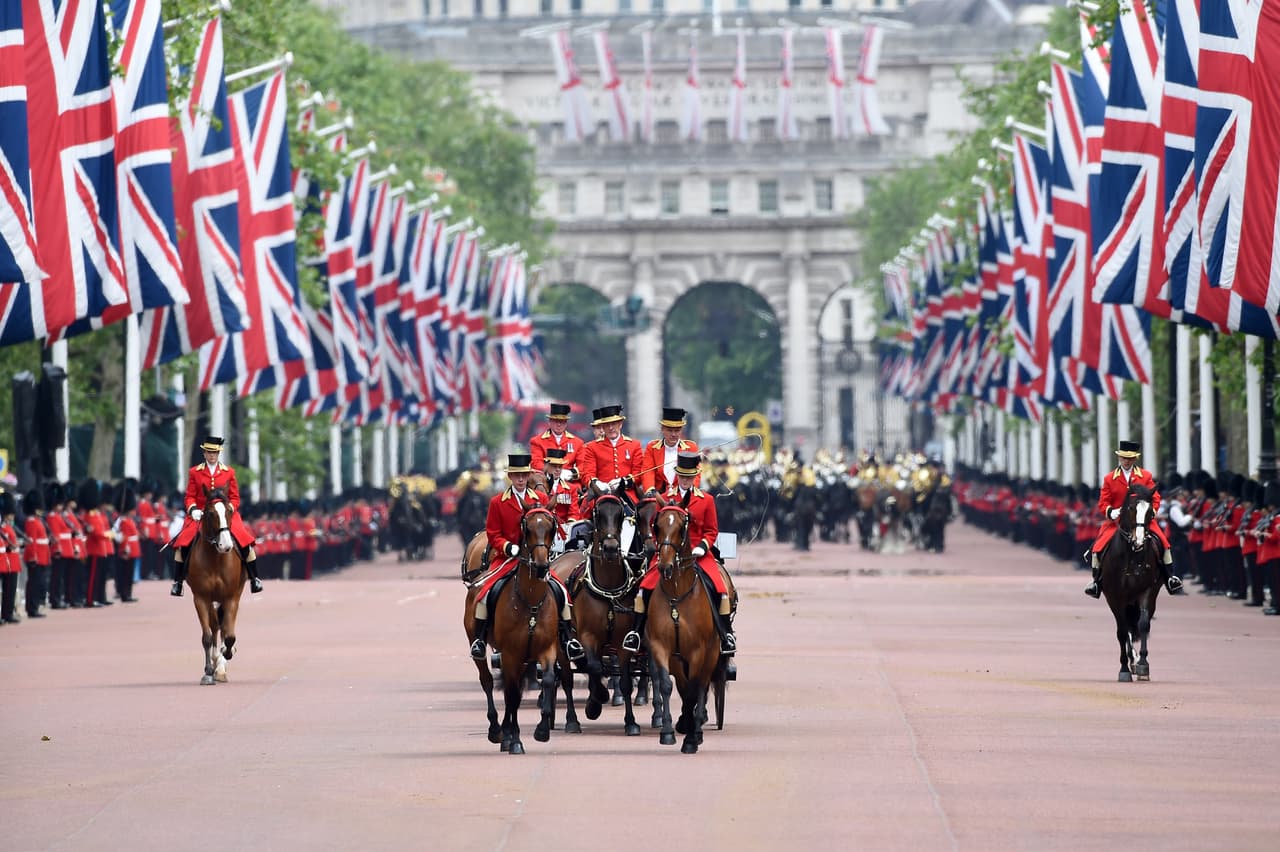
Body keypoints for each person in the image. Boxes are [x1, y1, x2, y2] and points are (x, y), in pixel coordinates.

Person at [466, 453, 583, 663]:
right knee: (484, 593)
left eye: (523, 475)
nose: (520, 479)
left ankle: (567, 638)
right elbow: (493, 533)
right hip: (506, 559)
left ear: (529, 475)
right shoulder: (497, 502)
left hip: (536, 560)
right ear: (510, 477)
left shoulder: (541, 500)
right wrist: (507, 547)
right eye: (516, 475)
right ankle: (481, 640)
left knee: (562, 592)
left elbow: (549, 528)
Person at [623, 452, 737, 661]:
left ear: (695, 476)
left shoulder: (707, 500)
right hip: (668, 553)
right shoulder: (664, 499)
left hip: (698, 555)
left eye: (689, 476)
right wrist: (663, 547)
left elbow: (711, 531)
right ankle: (636, 633)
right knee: (643, 588)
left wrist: (702, 547)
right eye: (682, 476)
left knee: (720, 589)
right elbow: (654, 527)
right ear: (677, 475)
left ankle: (726, 633)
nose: (685, 480)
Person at [1084, 440, 1182, 598]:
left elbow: (1155, 498)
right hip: (1117, 522)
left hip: (1142, 521)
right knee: (1097, 548)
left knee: (1164, 544)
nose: (1126, 461)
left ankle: (1170, 577)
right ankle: (1096, 582)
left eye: (1129, 458)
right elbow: (1103, 502)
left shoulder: (1145, 476)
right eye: (1123, 458)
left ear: (1135, 458)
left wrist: (1151, 512)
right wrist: (1111, 511)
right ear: (1119, 458)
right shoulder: (1110, 478)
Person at [171, 436, 262, 596]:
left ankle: (255, 579)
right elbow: (190, 496)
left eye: (214, 452)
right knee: (182, 544)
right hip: (201, 514)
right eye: (208, 452)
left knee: (245, 541)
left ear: (218, 453)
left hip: (226, 513)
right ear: (204, 453)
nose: (212, 455)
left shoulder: (229, 472)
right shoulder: (195, 472)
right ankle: (178, 583)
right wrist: (193, 510)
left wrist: (229, 509)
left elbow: (235, 497)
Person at [576, 404, 644, 507]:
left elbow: (638, 472)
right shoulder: (592, 447)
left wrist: (624, 482)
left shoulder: (634, 445)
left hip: (627, 495)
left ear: (620, 424)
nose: (611, 428)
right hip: (600, 494)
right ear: (602, 427)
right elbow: (587, 474)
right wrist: (597, 484)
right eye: (607, 425)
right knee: (584, 514)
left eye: (614, 424)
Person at [638, 407, 699, 497]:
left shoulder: (691, 447)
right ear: (662, 429)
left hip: (682, 496)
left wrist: (688, 492)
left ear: (681, 430)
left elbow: (696, 474)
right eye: (670, 431)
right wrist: (650, 490)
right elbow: (647, 471)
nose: (673, 434)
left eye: (677, 431)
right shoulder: (652, 447)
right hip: (658, 496)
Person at [529, 403, 582, 474]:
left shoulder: (578, 443)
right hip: (547, 481)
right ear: (550, 422)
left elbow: (582, 466)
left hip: (569, 482)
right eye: (556, 421)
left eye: (562, 421)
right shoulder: (537, 441)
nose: (559, 424)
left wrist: (570, 474)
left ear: (566, 423)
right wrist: (552, 471)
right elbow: (536, 463)